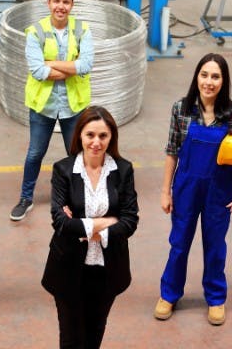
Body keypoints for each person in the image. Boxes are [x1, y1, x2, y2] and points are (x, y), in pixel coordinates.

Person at [154, 53, 232, 326]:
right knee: (179, 244)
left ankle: (216, 298)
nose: (209, 82)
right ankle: (169, 294)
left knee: (215, 247)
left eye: (215, 76)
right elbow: (172, 151)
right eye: (204, 75)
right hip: (186, 188)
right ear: (196, 77)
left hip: (218, 193)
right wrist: (165, 190)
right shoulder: (181, 109)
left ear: (223, 81)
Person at [42, 106, 139, 348]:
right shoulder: (63, 169)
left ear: (111, 138)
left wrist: (85, 228)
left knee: (95, 333)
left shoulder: (123, 169)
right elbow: (60, 222)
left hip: (106, 268)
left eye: (103, 136)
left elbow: (130, 221)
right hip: (68, 268)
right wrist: (106, 222)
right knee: (71, 338)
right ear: (80, 136)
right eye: (90, 135)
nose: (96, 142)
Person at [9, 0, 94, 222]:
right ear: (48, 3)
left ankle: (77, 199)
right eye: (56, 1)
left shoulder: (82, 30)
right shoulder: (35, 31)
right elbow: (37, 71)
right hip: (43, 104)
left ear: (72, 4)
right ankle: (26, 198)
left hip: (73, 104)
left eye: (65, 2)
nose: (61, 6)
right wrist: (71, 67)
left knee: (76, 154)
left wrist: (52, 64)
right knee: (35, 153)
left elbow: (86, 65)